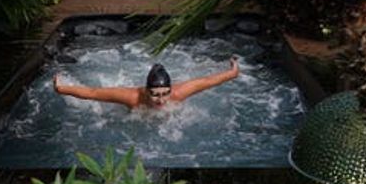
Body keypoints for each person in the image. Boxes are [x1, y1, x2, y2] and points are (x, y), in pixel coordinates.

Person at [53, 58, 240, 110]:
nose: (161, 100)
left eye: (164, 94)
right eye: (155, 94)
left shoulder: (178, 93)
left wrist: (232, 73)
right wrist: (62, 88)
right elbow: (93, 93)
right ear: (146, 91)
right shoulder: (133, 98)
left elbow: (207, 82)